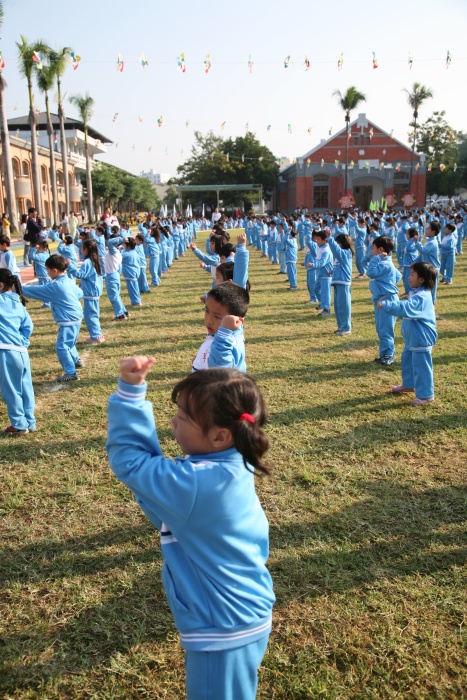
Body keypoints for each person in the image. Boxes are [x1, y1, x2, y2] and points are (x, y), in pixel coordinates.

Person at [107, 361, 275, 700]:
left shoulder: (198, 485)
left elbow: (131, 462)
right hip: (239, 614)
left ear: (220, 436)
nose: (173, 422)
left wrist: (130, 395)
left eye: (183, 417)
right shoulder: (230, 464)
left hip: (223, 629)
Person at [378, 262, 437, 406]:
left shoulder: (422, 297)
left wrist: (387, 305)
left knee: (421, 366)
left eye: (412, 275)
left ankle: (426, 395)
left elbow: (406, 307)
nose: (408, 277)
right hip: (412, 338)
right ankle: (409, 384)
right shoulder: (416, 292)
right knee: (408, 360)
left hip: (421, 338)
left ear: (421, 279)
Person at [22, 254, 84, 382]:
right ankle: (76, 360)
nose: (47, 272)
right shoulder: (68, 280)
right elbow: (80, 293)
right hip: (76, 317)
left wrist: (18, 288)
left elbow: (36, 291)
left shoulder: (56, 286)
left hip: (68, 320)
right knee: (69, 342)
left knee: (61, 346)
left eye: (47, 269)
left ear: (54, 270)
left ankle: (71, 372)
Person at [0, 269, 36, 434]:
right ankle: (30, 421)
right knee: (26, 387)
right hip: (21, 351)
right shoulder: (19, 304)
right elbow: (28, 327)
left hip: (5, 351)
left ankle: (19, 424)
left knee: (11, 389)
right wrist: (22, 341)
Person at [193, 283, 249, 372]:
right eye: (207, 311)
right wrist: (200, 360)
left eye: (217, 317)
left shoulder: (228, 341)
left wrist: (224, 333)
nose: (209, 320)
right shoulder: (217, 333)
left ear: (236, 320)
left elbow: (218, 369)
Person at [366, 236, 402, 366]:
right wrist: (388, 282)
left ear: (381, 250)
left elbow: (370, 272)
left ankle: (389, 354)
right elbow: (398, 275)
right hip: (382, 299)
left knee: (386, 329)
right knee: (381, 328)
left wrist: (377, 258)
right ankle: (384, 354)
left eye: (373, 248)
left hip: (388, 300)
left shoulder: (384, 264)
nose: (371, 251)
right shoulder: (387, 263)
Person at [68, 239, 105, 343]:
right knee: (94, 314)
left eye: (82, 248)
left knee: (90, 316)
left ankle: (96, 336)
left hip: (90, 293)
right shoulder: (95, 260)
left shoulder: (87, 262)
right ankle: (98, 334)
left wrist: (70, 265)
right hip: (94, 292)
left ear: (87, 250)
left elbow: (80, 274)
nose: (81, 250)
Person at [328, 233, 353, 335]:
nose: (336, 245)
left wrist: (329, 238)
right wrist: (333, 271)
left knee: (344, 306)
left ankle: (346, 328)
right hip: (337, 282)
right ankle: (341, 326)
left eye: (337, 243)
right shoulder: (340, 255)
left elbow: (336, 250)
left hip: (343, 282)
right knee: (338, 307)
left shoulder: (345, 253)